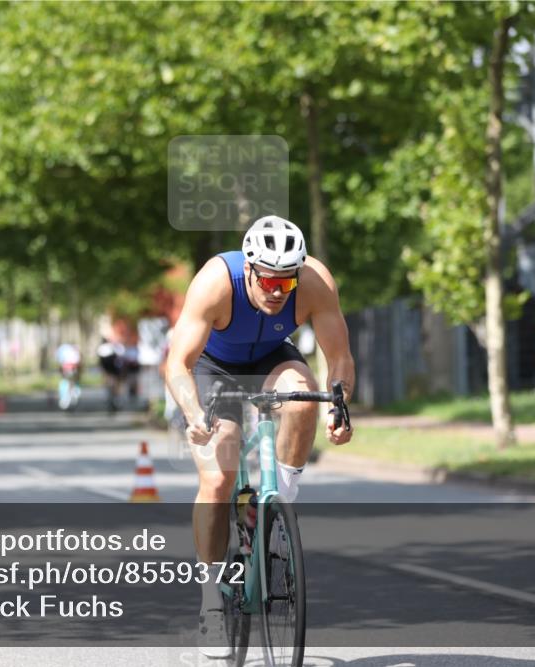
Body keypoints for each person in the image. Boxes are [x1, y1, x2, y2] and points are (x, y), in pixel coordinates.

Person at [164, 215, 355, 658]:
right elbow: (178, 363)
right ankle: (212, 602)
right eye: (267, 280)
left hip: (272, 359)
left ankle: (275, 505)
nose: (275, 291)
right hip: (212, 369)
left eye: (284, 285)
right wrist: (193, 413)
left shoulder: (315, 282)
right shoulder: (216, 281)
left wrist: (341, 404)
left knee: (305, 396)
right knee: (217, 479)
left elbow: (339, 357)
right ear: (248, 268)